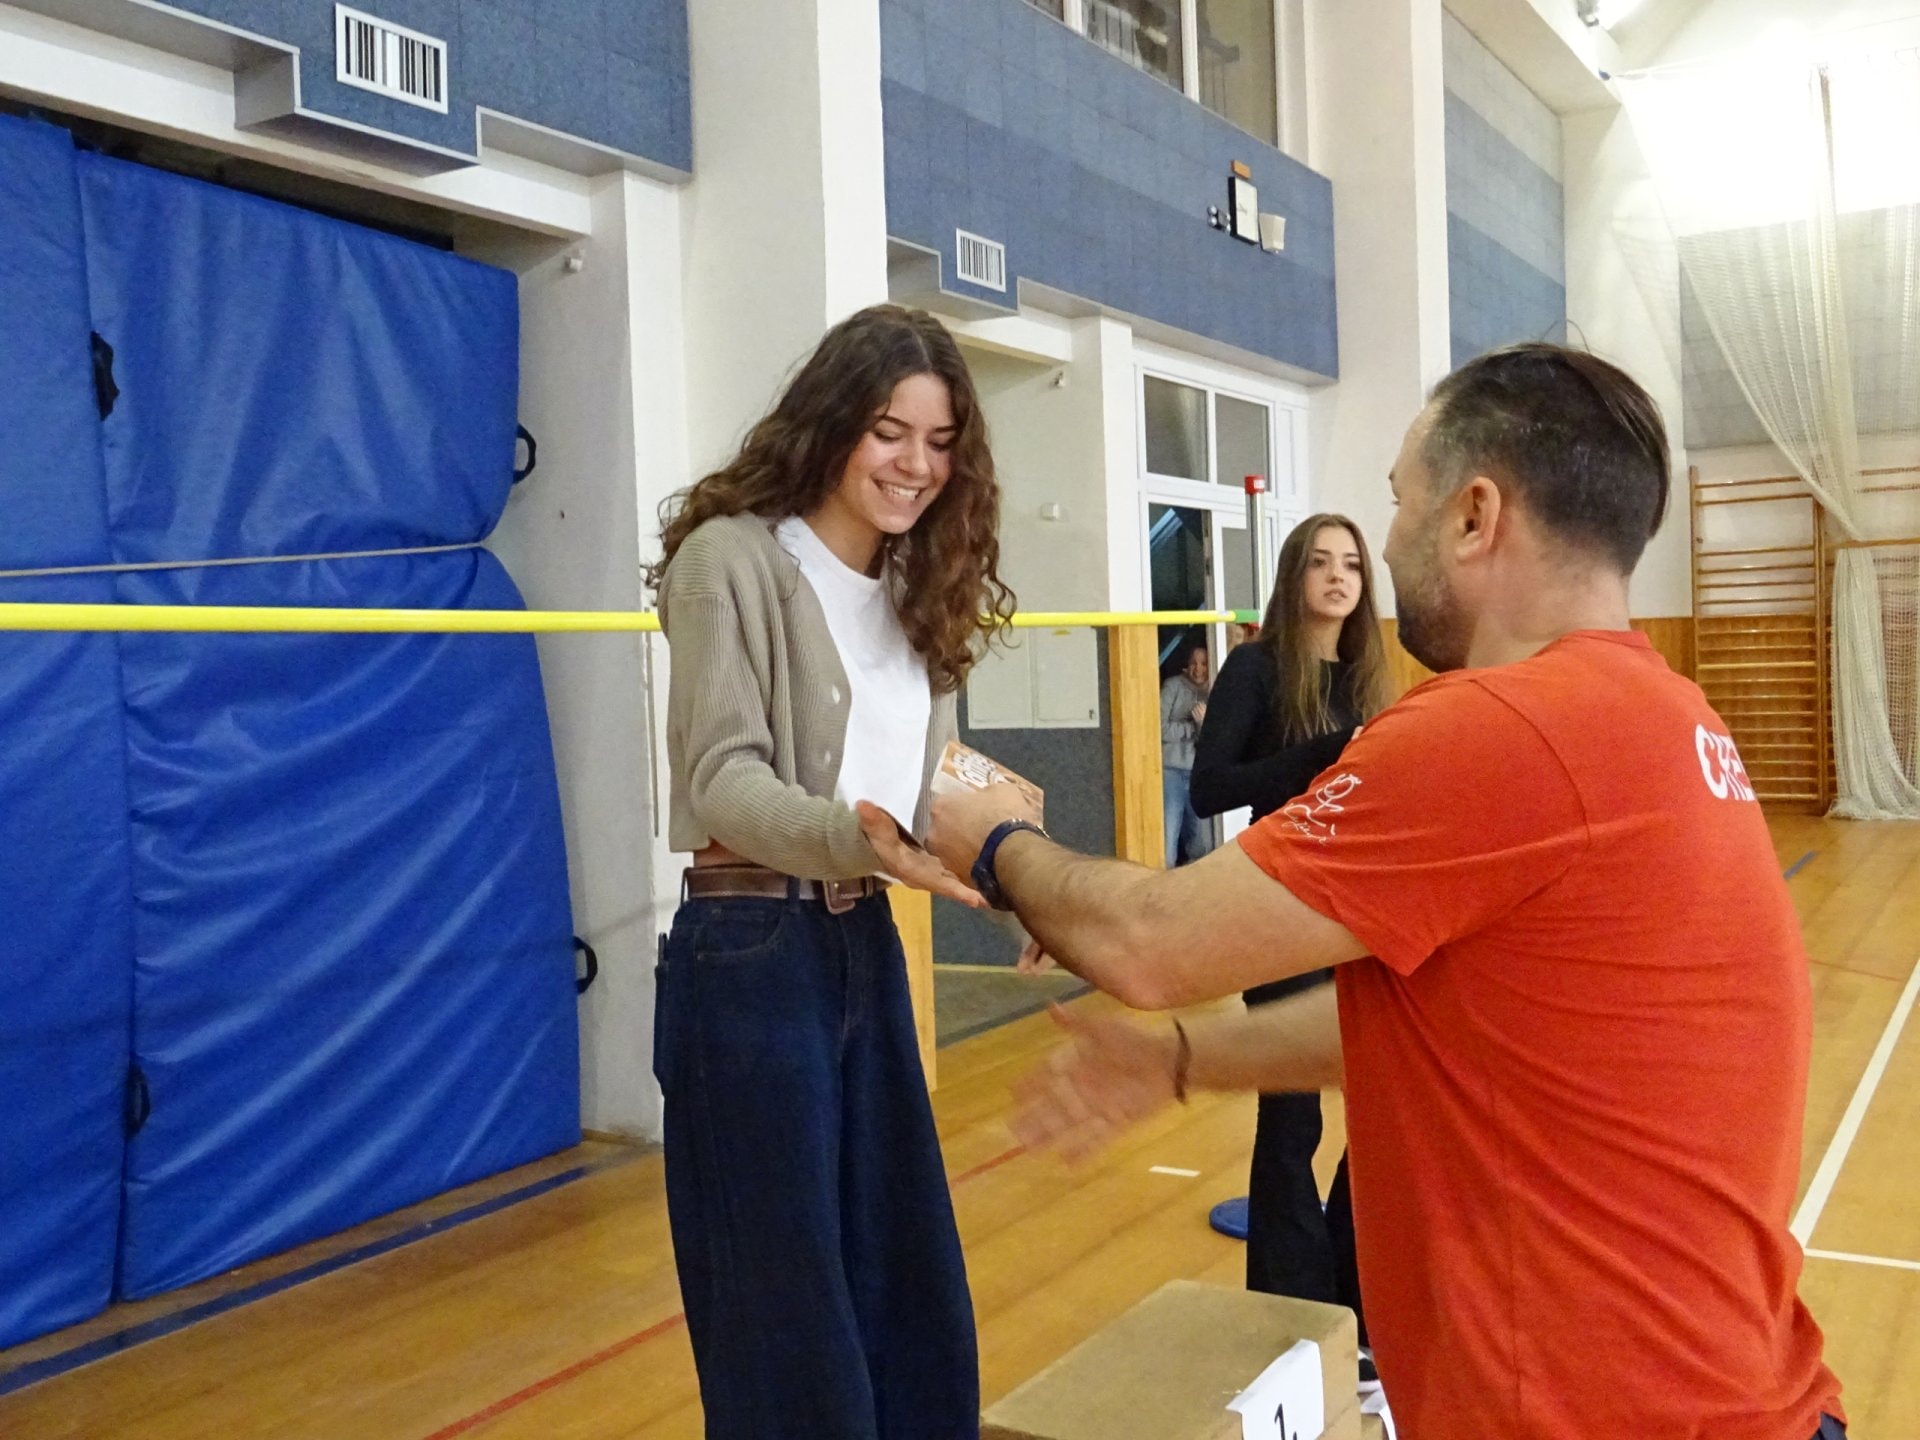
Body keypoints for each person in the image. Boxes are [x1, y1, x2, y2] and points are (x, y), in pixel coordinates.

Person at [862, 344, 1847, 1439]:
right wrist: (1182, 1059)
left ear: (1474, 515)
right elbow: (1456, 1021)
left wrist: (996, 842)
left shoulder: (1502, 729)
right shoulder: (1670, 717)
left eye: (1399, 501)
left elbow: (1148, 942)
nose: (1385, 542)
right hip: (1733, 1397)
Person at [648, 304, 1012, 1439]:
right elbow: (723, 779)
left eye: (939, 441)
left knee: (912, 1293)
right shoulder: (730, 561)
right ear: (832, 423)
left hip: (862, 945)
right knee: (785, 1323)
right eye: (887, 432)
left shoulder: (917, 586)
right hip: (747, 958)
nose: (914, 465)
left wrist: (1026, 884)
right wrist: (865, 842)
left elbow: (937, 789)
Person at [1189, 515, 1388, 1345]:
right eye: (1321, 563)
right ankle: (1290, 1306)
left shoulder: (1368, 676)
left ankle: (1358, 1294)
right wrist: (1318, 756)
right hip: (1277, 906)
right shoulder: (1257, 667)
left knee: (1378, 1109)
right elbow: (1209, 788)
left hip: (1359, 911)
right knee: (1292, 1118)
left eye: (1352, 565)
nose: (1338, 577)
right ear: (1294, 575)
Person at [1159, 643, 1215, 867]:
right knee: (1167, 840)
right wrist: (1193, 727)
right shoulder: (1172, 686)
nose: (1198, 669)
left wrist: (1203, 725)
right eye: (1193, 663)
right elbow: (1158, 728)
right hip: (1170, 772)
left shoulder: (1216, 690)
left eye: (1204, 663)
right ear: (1186, 665)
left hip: (1199, 775)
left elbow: (1214, 740)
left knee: (1202, 843)